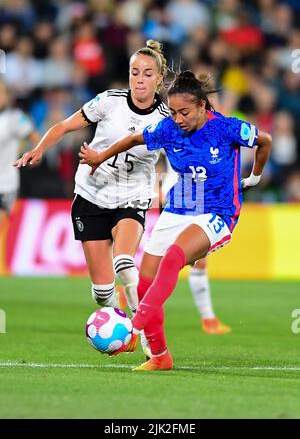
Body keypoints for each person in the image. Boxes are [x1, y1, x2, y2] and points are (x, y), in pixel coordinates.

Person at [78, 70, 272, 371]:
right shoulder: (168, 129)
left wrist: (254, 177)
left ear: (202, 107)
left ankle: (134, 328)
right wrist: (99, 157)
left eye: (184, 112)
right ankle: (160, 356)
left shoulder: (226, 128)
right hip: (182, 205)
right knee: (144, 283)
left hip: (218, 211)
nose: (178, 118)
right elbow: (131, 138)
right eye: (172, 111)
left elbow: (266, 140)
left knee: (173, 258)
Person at [14, 39, 169, 358]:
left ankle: (144, 337)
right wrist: (39, 149)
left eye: (147, 74)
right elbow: (65, 125)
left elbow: (180, 162)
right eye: (134, 72)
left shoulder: (167, 120)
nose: (139, 79)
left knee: (125, 263)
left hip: (132, 197)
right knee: (102, 293)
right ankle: (117, 321)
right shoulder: (108, 102)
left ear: (159, 80)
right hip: (91, 195)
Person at [160, 152, 231, 335]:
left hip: (195, 196)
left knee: (188, 259)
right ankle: (208, 319)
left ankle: (208, 319)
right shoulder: (173, 128)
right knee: (186, 259)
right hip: (181, 197)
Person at [0, 80, 40, 230]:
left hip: (5, 185)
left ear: (8, 97)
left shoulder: (15, 118)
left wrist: (33, 156)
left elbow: (35, 138)